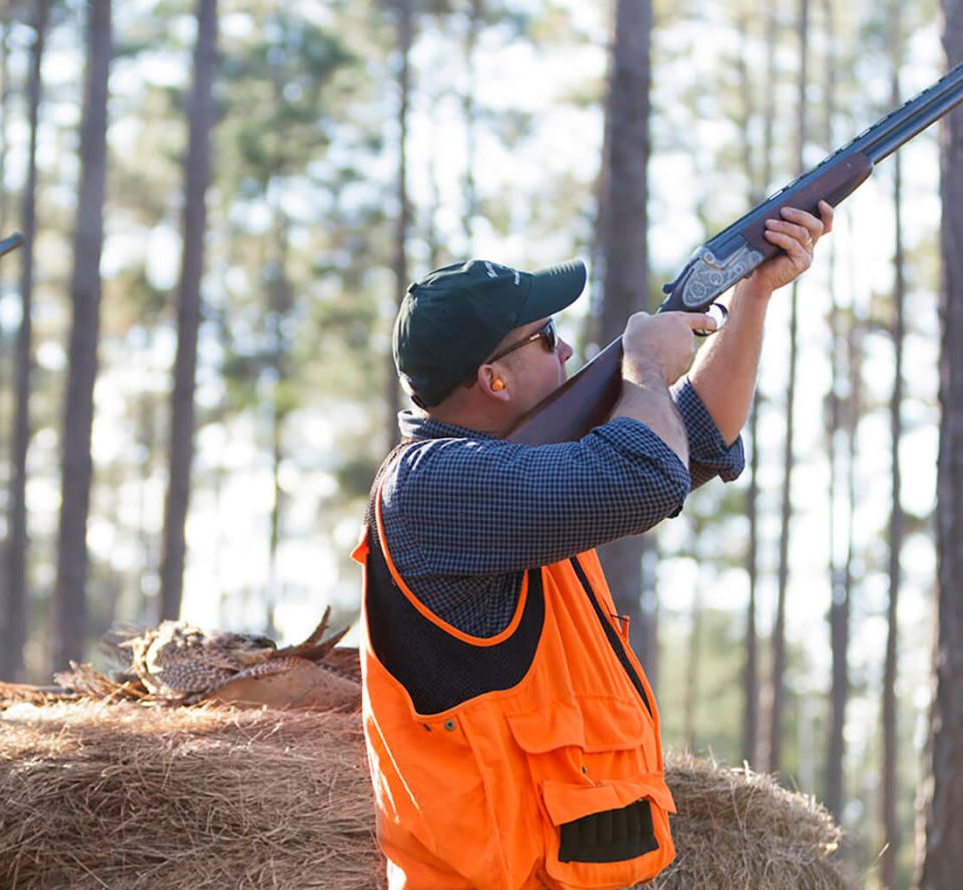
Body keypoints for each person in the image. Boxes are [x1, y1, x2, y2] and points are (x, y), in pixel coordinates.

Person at [356, 205, 834, 889]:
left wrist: (751, 294)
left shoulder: (521, 478)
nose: (569, 351)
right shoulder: (431, 487)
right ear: (493, 379)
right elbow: (645, 477)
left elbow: (697, 436)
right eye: (548, 338)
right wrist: (642, 363)